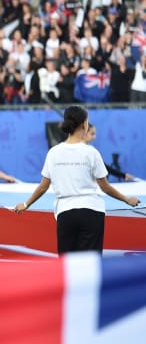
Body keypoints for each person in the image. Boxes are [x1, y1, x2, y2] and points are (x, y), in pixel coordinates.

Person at [15, 106, 141, 253]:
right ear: (84, 125)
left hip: (65, 214)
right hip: (92, 213)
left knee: (68, 265)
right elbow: (105, 186)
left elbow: (43, 186)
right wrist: (127, 199)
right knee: (90, 264)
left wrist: (26, 204)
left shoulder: (53, 153)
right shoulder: (91, 153)